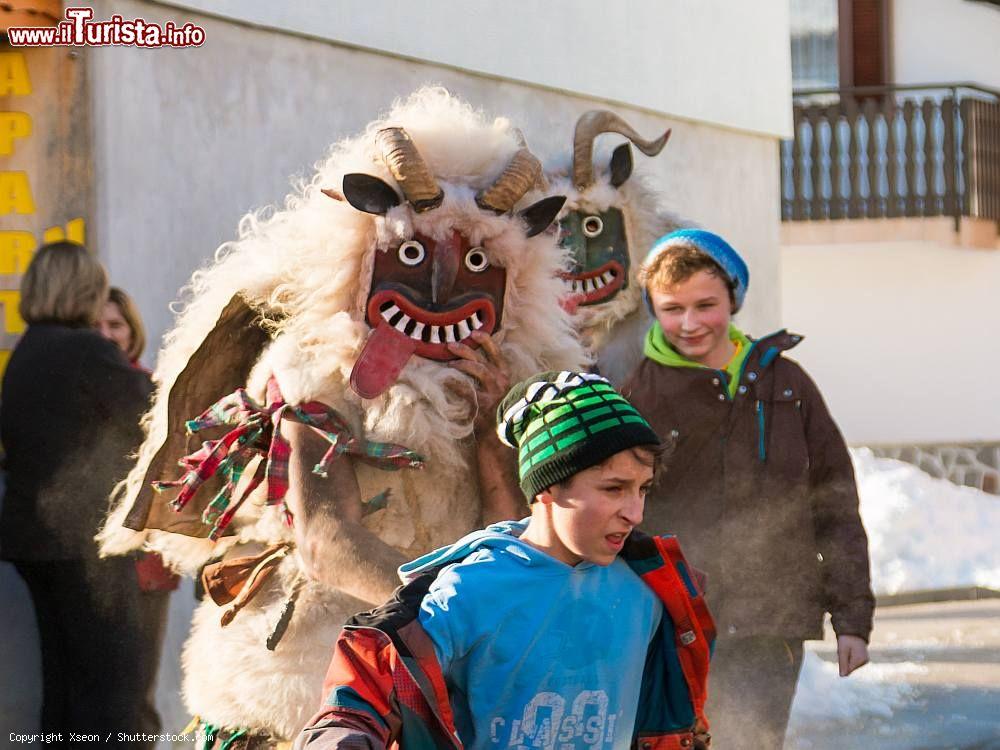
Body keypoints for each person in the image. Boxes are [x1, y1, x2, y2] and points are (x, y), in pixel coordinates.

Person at [295, 371, 714, 750]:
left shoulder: (653, 585)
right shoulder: (471, 588)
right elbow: (365, 691)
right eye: (614, 488)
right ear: (547, 488)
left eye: (642, 489)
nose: (635, 513)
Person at [623, 229, 874, 749]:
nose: (689, 324)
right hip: (677, 621)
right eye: (672, 308)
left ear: (733, 299)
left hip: (770, 620)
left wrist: (852, 619)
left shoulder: (786, 384)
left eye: (706, 305)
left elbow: (835, 503)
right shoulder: (635, 394)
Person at [0, 242, 156, 741]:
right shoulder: (87, 351)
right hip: (88, 548)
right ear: (86, 292)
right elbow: (157, 416)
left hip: (35, 545)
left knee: (64, 690)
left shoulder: (27, 352)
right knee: (111, 695)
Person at [98, 285, 178, 736]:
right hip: (95, 565)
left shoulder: (150, 390)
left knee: (136, 692)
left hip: (148, 561)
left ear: (133, 332)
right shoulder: (81, 393)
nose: (107, 335)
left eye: (116, 325)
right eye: (97, 326)